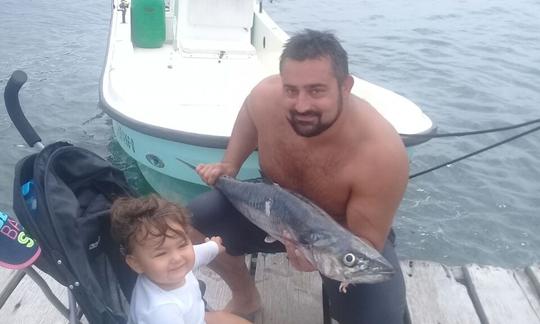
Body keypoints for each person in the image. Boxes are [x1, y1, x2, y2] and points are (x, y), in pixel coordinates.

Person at [188, 29, 408, 324]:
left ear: (346, 86)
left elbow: (364, 242)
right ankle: (245, 295)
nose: (301, 105)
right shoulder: (265, 97)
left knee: (378, 319)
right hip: (271, 212)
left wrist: (314, 258)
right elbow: (250, 112)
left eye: (316, 90)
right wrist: (229, 165)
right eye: (291, 90)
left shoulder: (381, 153)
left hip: (341, 238)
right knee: (192, 219)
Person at [110, 194, 252, 324]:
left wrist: (213, 247)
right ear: (136, 264)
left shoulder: (171, 269)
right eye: (161, 254)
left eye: (182, 244)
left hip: (195, 316)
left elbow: (197, 254)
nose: (177, 258)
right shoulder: (160, 311)